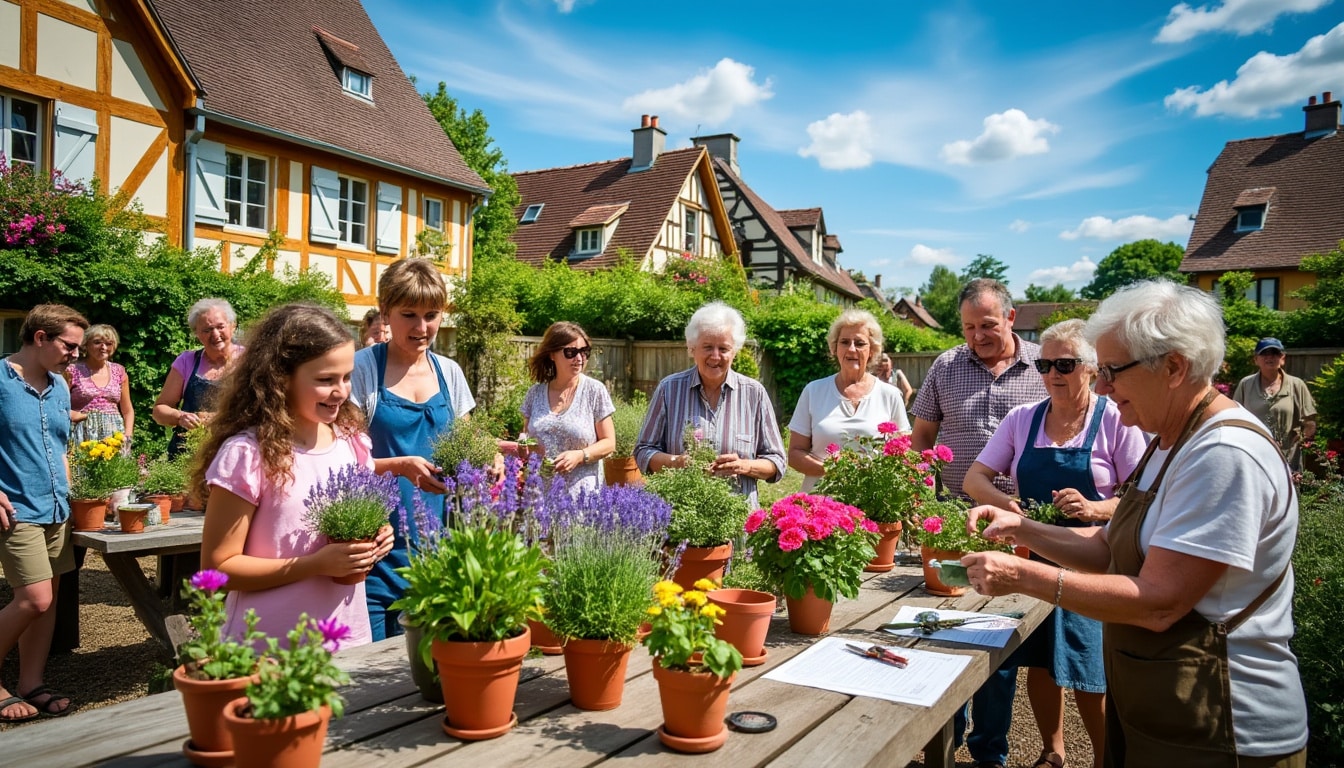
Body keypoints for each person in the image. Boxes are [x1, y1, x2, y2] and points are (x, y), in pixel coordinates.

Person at [964, 280, 1307, 768]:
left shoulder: (1222, 454)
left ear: (1173, 367)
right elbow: (1106, 549)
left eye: (1111, 372)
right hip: (1171, 713)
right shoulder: (1170, 440)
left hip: (1224, 731)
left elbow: (1160, 605)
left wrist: (1021, 575)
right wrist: (1019, 529)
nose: (1101, 387)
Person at [963, 319, 1147, 768]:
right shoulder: (1023, 419)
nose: (1052, 373)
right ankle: (1053, 751)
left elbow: (1141, 499)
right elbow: (974, 478)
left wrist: (1094, 508)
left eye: (1064, 363)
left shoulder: (1115, 421)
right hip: (1034, 557)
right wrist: (1009, 506)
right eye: (1044, 363)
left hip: (1095, 560)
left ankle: (1108, 759)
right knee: (1043, 662)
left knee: (1089, 672)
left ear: (1089, 368)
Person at [194, 304, 393, 647]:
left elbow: (353, 531)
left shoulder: (350, 441)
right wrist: (314, 565)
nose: (342, 392)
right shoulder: (247, 454)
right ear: (281, 378)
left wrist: (377, 535)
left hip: (347, 641)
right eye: (325, 380)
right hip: (270, 650)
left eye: (346, 377)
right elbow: (218, 569)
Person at [909, 278, 1047, 768]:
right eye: (968, 327)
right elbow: (922, 437)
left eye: (986, 325)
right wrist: (916, 494)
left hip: (1020, 522)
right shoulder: (947, 365)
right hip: (952, 519)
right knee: (947, 623)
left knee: (1000, 630)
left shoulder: (1041, 367)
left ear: (1011, 318)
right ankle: (945, 739)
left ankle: (991, 750)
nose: (977, 336)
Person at [349, 258, 476, 641]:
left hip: (438, 553)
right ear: (385, 311)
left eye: (431, 315)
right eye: (409, 315)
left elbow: (466, 447)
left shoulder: (449, 372)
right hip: (375, 552)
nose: (422, 328)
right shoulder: (361, 370)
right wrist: (400, 466)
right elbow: (339, 462)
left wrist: (490, 457)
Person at [1, 304, 88, 722]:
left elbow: (59, 446)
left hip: (57, 506)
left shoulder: (59, 386)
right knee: (33, 599)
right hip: (16, 508)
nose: (76, 354)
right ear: (40, 338)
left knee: (48, 602)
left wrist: (78, 495)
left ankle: (30, 682)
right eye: (69, 346)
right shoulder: (0, 380)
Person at [634, 301, 785, 507]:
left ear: (734, 352)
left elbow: (777, 462)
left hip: (738, 516)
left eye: (723, 348)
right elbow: (643, 451)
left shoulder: (754, 393)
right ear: (692, 348)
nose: (715, 356)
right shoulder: (669, 389)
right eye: (707, 347)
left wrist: (743, 466)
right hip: (682, 514)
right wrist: (677, 463)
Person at [788, 309, 910, 492]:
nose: (851, 349)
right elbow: (795, 454)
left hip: (873, 504)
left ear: (872, 350)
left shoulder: (890, 395)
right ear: (834, 348)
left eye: (860, 343)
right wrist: (834, 471)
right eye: (844, 342)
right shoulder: (813, 391)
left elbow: (905, 454)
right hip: (820, 505)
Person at [520, 322, 615, 496]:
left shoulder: (594, 391)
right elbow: (526, 439)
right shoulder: (534, 394)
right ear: (552, 355)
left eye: (584, 352)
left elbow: (609, 443)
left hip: (582, 500)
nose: (579, 359)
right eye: (571, 352)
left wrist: (581, 455)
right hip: (539, 497)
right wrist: (523, 447)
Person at [152, 298, 244, 458]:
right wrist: (181, 417)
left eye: (220, 326)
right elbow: (160, 410)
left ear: (232, 326)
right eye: (207, 330)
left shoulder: (249, 360)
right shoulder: (186, 361)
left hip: (236, 454)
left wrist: (221, 418)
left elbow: (265, 410)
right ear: (197, 334)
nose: (215, 334)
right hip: (187, 456)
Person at [1233, 337, 1316, 472]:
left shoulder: (1296, 385)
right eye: (1264, 353)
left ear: (1282, 358)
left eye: (1275, 353)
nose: (1270, 357)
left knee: (1288, 492)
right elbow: (1235, 417)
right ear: (1256, 359)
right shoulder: (1246, 385)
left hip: (1287, 458)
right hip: (1254, 455)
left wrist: (1299, 443)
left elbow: (1309, 421)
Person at [66, 324, 134, 450]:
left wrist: (127, 436)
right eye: (97, 342)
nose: (103, 347)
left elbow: (127, 410)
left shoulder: (119, 371)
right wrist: (76, 415)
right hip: (81, 435)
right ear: (86, 344)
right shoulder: (72, 371)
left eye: (108, 343)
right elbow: (58, 404)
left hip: (114, 437)